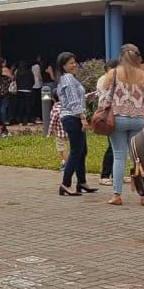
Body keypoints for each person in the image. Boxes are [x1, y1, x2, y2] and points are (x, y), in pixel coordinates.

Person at [97, 44, 144, 205]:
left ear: (121, 57)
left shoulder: (113, 73)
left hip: (117, 119)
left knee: (118, 156)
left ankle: (117, 195)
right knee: (138, 157)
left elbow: (104, 99)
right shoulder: (143, 76)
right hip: (138, 120)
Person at [55, 52, 94, 196]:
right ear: (63, 66)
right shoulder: (68, 78)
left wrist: (88, 96)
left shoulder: (66, 79)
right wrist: (83, 118)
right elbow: (72, 101)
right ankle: (66, 184)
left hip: (72, 116)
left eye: (74, 62)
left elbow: (74, 98)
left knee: (82, 151)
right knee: (76, 151)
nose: (74, 65)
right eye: (71, 63)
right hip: (73, 118)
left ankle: (82, 182)